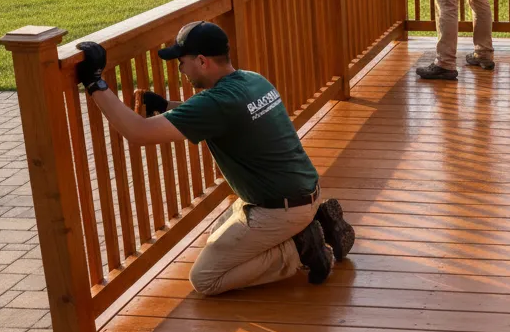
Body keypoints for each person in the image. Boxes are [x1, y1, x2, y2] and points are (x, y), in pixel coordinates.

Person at [74, 20, 355, 295]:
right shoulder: (252, 80)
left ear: (201, 61)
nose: (180, 69)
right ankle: (310, 225)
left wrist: (95, 83)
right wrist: (166, 106)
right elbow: (219, 115)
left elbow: (138, 132)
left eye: (181, 62)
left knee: (206, 278)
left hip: (279, 209)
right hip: (302, 192)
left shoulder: (217, 103)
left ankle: (301, 247)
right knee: (217, 233)